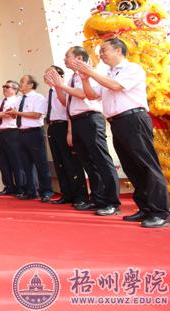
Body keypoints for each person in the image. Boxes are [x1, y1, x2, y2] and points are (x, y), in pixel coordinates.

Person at [72, 38, 169, 229]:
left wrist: (91, 72)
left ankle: (160, 213)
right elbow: (92, 95)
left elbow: (116, 86)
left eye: (104, 50)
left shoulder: (132, 69)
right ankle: (145, 208)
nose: (100, 54)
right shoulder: (107, 74)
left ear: (118, 50)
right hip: (116, 123)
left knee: (146, 165)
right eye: (100, 51)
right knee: (131, 167)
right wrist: (85, 79)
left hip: (134, 119)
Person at [51, 46, 120, 216]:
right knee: (88, 162)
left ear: (79, 59)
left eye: (67, 56)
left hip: (91, 119)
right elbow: (65, 102)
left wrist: (61, 85)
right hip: (77, 121)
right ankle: (97, 199)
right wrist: (58, 86)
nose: (64, 60)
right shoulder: (72, 78)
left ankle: (112, 201)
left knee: (101, 160)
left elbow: (83, 94)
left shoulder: (91, 73)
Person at [42, 65, 88, 205]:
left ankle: (80, 196)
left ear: (59, 74)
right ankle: (66, 193)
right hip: (52, 127)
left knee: (71, 162)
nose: (45, 76)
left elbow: (68, 109)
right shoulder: (49, 93)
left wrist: (70, 131)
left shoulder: (65, 88)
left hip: (64, 126)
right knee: (59, 162)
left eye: (49, 73)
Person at [6, 74, 53, 202]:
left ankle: (46, 191)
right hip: (21, 133)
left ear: (31, 85)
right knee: (25, 164)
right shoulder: (19, 99)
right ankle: (31, 191)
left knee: (41, 163)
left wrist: (17, 113)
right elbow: (16, 115)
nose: (20, 84)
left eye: (22, 81)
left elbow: (37, 115)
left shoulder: (38, 97)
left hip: (35, 133)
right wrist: (12, 113)